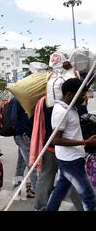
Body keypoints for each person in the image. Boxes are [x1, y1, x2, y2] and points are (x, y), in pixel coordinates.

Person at [46, 78, 96, 211]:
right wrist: (86, 142)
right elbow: (55, 140)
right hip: (71, 161)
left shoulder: (69, 106)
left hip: (69, 158)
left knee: (59, 191)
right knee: (89, 196)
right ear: (69, 94)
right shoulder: (61, 112)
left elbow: (81, 87)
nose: (84, 97)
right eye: (81, 94)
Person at [11, 98, 37, 198]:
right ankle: (35, 189)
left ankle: (17, 187)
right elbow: (14, 118)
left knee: (21, 163)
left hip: (24, 136)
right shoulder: (18, 100)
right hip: (23, 136)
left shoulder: (23, 98)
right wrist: (22, 131)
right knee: (32, 164)